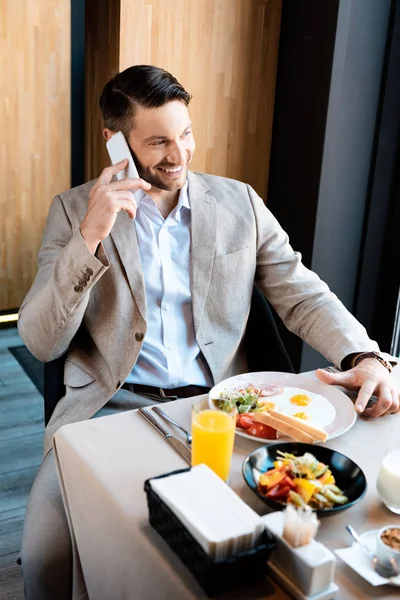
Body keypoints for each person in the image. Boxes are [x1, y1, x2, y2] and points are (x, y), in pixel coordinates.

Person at [18, 64, 399, 599]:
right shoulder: (73, 211)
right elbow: (40, 340)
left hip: (225, 413)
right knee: (44, 558)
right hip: (111, 411)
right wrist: (90, 238)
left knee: (255, 557)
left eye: (186, 134)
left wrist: (364, 354)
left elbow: (302, 290)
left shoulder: (237, 201)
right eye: (158, 142)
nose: (179, 156)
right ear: (115, 143)